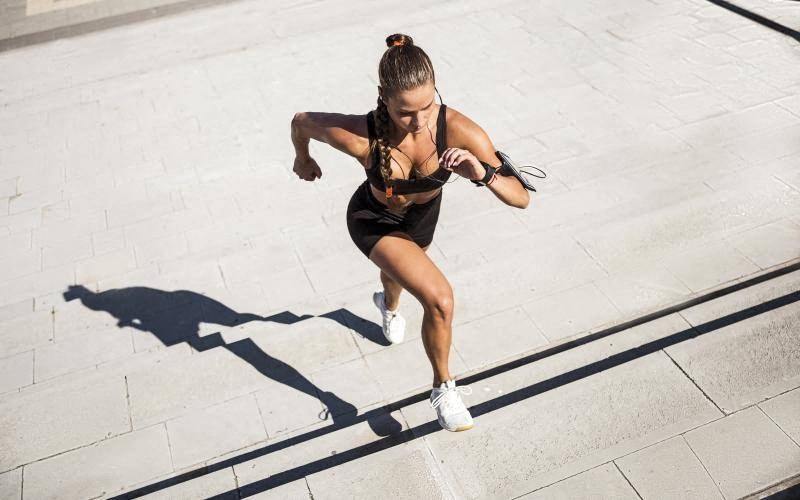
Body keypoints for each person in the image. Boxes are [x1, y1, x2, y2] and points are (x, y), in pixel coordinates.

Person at [290, 33, 530, 432]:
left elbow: (521, 198)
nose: (418, 121)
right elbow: (301, 122)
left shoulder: (459, 130)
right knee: (440, 300)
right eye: (405, 113)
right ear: (383, 96)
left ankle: (387, 302)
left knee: (398, 275)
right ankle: (444, 388)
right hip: (372, 220)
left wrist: (482, 173)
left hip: (421, 220)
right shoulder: (359, 135)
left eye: (427, 105)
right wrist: (303, 158)